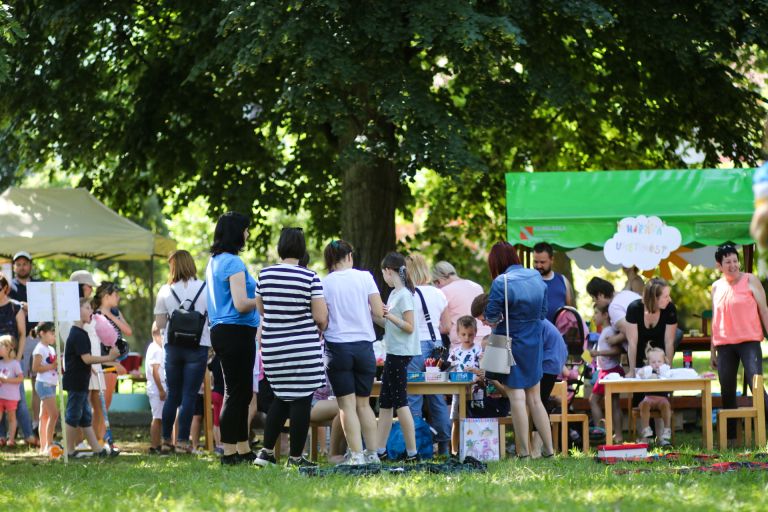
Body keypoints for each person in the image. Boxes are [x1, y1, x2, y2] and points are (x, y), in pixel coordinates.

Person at [252, 227, 327, 468]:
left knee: (281, 398)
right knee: (302, 400)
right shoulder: (310, 277)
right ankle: (295, 458)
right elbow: (320, 316)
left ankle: (265, 453)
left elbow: (262, 309)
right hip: (302, 347)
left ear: (280, 246)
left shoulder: (264, 275)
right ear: (302, 248)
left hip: (273, 348)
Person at [483, 241, 553, 458]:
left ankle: (523, 452)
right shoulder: (536, 277)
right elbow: (543, 313)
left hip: (510, 343)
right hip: (534, 341)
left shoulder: (500, 282)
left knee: (517, 398)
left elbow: (491, 316)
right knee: (535, 398)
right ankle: (549, 451)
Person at [322, 239, 384, 466]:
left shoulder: (324, 283)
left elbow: (322, 318)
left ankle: (356, 455)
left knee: (346, 406)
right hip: (364, 347)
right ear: (349, 256)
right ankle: (373, 454)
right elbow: (378, 311)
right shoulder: (365, 277)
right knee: (364, 404)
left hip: (337, 347)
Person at [206, 212, 260, 465]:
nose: (247, 234)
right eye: (245, 229)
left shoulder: (214, 261)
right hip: (236, 331)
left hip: (223, 331)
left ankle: (242, 448)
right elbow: (240, 304)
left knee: (240, 392)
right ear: (236, 232)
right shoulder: (234, 263)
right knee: (237, 393)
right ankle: (229, 452)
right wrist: (262, 300)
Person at [710, 243, 768, 442]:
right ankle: (731, 439)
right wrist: (712, 350)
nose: (733, 265)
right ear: (719, 265)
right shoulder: (716, 287)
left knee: (756, 386)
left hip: (749, 342)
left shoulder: (751, 280)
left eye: (735, 260)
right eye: (728, 262)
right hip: (724, 345)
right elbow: (715, 319)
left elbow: (764, 310)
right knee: (727, 390)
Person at [154, 250, 210, 454]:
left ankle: (167, 438)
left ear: (173, 267)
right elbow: (212, 317)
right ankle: (184, 441)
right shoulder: (206, 288)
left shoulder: (165, 290)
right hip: (198, 346)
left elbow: (160, 323)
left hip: (173, 346)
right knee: (189, 395)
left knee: (173, 395)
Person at [372, 252, 420, 462]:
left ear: (389, 271)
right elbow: (389, 323)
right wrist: (374, 314)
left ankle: (412, 452)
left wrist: (388, 314)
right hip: (392, 351)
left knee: (400, 402)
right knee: (385, 402)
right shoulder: (393, 294)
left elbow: (409, 327)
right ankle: (379, 449)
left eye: (383, 273)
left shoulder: (404, 295)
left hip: (401, 354)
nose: (384, 277)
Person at [405, 254, 451, 455]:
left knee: (413, 396)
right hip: (436, 347)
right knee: (437, 397)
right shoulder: (439, 294)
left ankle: (417, 446)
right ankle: (444, 445)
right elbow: (447, 326)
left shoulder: (406, 294)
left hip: (414, 347)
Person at [63, 298, 120, 458]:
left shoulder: (81, 333)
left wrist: (93, 368)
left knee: (85, 416)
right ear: (77, 311)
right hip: (76, 381)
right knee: (73, 414)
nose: (91, 311)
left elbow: (83, 360)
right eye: (87, 308)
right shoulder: (78, 334)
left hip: (82, 380)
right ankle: (68, 450)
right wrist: (108, 357)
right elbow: (87, 359)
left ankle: (97, 450)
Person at [92, 281, 131, 442]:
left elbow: (128, 331)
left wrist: (110, 314)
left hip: (115, 360)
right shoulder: (94, 315)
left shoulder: (115, 312)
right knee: (101, 404)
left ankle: (100, 438)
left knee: (106, 403)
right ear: (106, 296)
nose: (119, 297)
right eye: (116, 294)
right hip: (104, 362)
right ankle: (97, 439)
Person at [9, 251, 41, 437]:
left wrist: (32, 308)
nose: (22, 267)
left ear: (30, 265)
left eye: (25, 263)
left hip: (37, 339)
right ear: (14, 267)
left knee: (38, 384)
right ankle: (18, 427)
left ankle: (36, 425)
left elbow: (48, 308)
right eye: (18, 264)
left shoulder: (39, 286)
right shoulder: (8, 287)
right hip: (17, 342)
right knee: (16, 386)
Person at [0, 272, 33, 446]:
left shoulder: (15, 307)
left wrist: (18, 358)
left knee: (17, 399)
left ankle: (28, 434)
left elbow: (22, 334)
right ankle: (2, 436)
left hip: (13, 359)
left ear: (5, 288)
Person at [624, 278, 677, 378]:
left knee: (660, 392)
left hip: (660, 356)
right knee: (639, 391)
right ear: (654, 298)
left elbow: (669, 342)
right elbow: (632, 343)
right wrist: (632, 371)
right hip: (638, 354)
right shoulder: (634, 309)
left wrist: (668, 369)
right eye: (665, 296)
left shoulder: (670, 308)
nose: (669, 299)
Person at [431, 261, 491, 347]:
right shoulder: (476, 286)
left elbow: (446, 327)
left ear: (438, 280)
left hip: (463, 343)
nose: (437, 287)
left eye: (436, 284)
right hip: (486, 339)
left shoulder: (443, 292)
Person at [588, 303, 624, 442]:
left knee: (594, 400)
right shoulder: (605, 331)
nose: (594, 316)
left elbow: (617, 351)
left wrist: (598, 352)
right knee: (614, 403)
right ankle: (618, 435)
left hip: (610, 372)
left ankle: (600, 431)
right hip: (608, 371)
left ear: (605, 315)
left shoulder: (609, 331)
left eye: (596, 313)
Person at [446, 316, 481, 454]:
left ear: (476, 333)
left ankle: (474, 450)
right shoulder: (455, 352)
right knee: (456, 420)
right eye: (463, 334)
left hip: (476, 392)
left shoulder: (478, 350)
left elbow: (482, 372)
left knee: (475, 420)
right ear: (458, 334)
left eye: (470, 335)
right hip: (457, 392)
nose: (467, 338)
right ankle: (455, 451)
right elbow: (450, 370)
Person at [586, 277, 641, 350]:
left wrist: (615, 339)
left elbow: (631, 331)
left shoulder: (614, 307)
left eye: (593, 297)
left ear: (600, 295)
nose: (593, 301)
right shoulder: (626, 294)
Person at [30, 323, 59, 455]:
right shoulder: (39, 349)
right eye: (51, 333)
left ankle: (43, 447)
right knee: (54, 414)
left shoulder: (51, 349)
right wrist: (52, 366)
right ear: (42, 333)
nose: (54, 336)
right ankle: (49, 444)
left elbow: (53, 365)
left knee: (45, 416)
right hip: (44, 384)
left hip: (51, 384)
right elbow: (35, 369)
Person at [635, 347, 673, 446]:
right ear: (648, 363)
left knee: (666, 405)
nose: (656, 364)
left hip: (662, 399)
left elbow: (670, 378)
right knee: (644, 405)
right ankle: (646, 431)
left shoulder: (666, 370)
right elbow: (638, 376)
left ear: (664, 361)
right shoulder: (646, 371)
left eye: (659, 361)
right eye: (653, 362)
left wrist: (664, 374)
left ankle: (666, 430)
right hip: (649, 398)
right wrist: (641, 374)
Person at [532, 242, 574, 322]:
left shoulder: (562, 280)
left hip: (559, 332)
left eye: (542, 262)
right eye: (536, 262)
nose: (538, 266)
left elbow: (570, 310)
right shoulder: (528, 281)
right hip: (535, 332)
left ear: (552, 260)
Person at [145, 322, 166, 454]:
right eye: (163, 335)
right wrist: (161, 390)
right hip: (157, 389)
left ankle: (159, 444)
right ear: (157, 335)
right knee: (157, 417)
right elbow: (155, 372)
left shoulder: (155, 348)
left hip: (158, 388)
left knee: (160, 417)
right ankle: (154, 445)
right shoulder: (156, 350)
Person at [0, 335, 23, 447]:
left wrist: (6, 380)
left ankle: (11, 439)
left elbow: (20, 379)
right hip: (1, 396)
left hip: (11, 397)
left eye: (1, 346)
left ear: (9, 348)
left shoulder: (15, 364)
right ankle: (2, 437)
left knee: (11, 418)